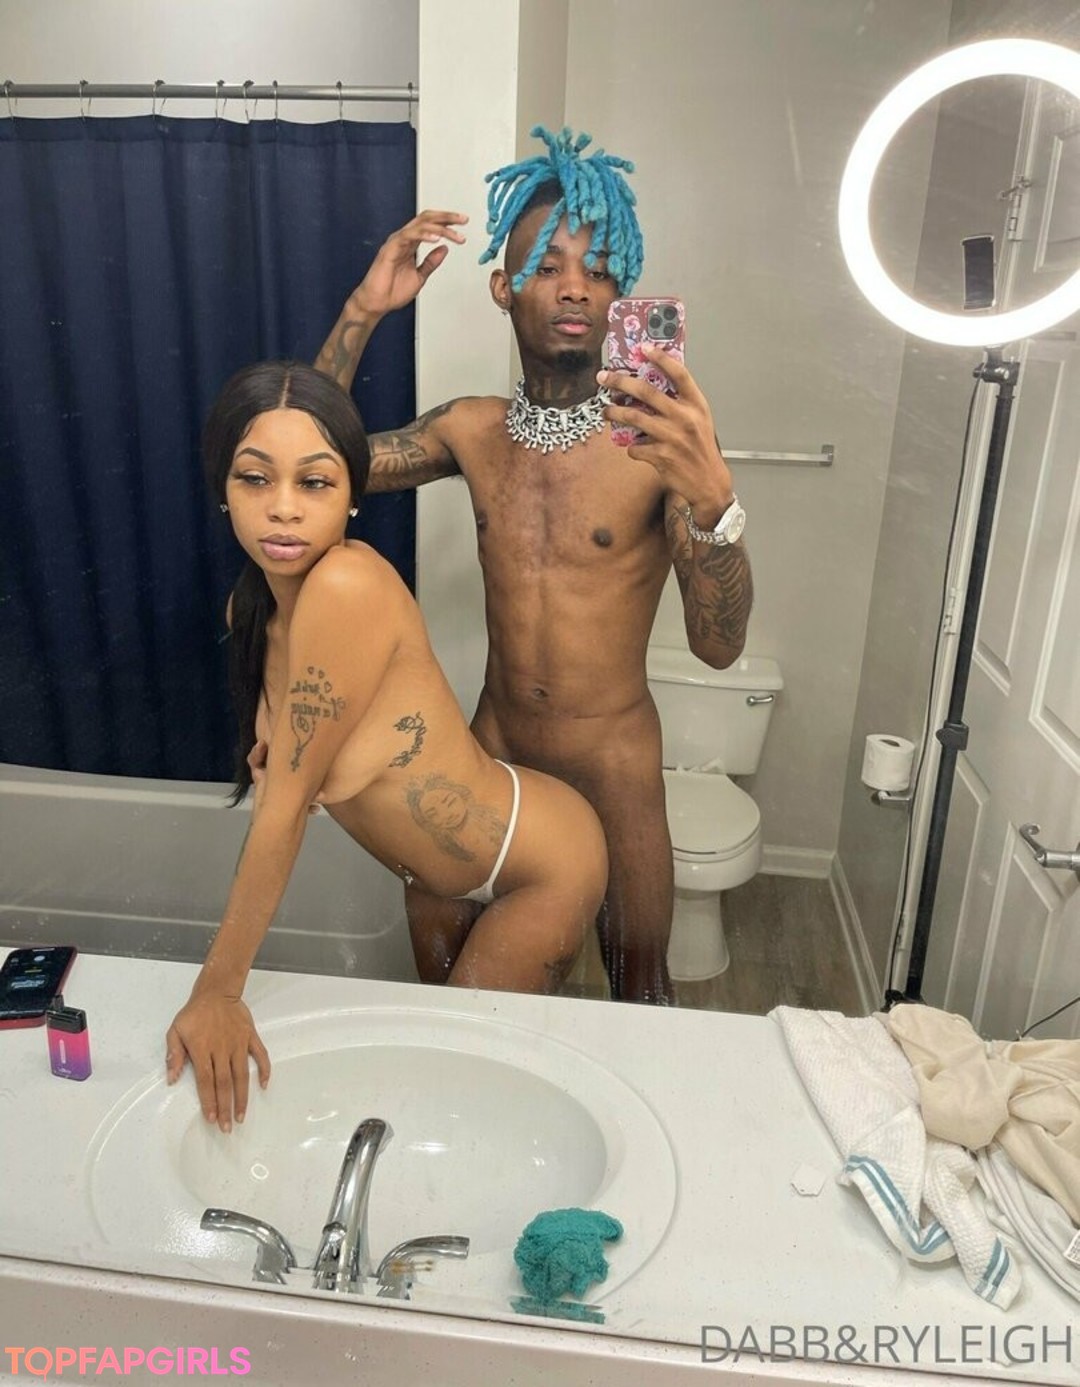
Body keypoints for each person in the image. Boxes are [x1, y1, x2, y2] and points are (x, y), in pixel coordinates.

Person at [314, 127, 753, 1005]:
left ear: (621, 297)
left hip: (615, 766)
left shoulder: (655, 449)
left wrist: (714, 505)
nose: (575, 286)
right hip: (491, 756)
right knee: (451, 988)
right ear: (503, 287)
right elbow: (317, 463)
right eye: (548, 265)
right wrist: (363, 309)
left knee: (642, 998)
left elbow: (718, 649)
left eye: (599, 270)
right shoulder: (469, 430)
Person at [165, 360, 607, 1131]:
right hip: (430, 877)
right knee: (441, 1068)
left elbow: (285, 810)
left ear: (351, 496)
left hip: (537, 862)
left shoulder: (348, 588)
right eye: (254, 478)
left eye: (315, 483)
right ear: (222, 489)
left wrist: (218, 992)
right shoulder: (252, 609)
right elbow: (285, 781)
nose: (283, 508)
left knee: (458, 1079)